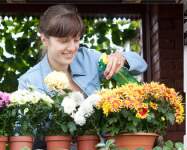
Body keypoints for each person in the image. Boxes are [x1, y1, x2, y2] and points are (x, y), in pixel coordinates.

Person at [18, 4, 148, 97]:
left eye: (76, 40)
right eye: (64, 41)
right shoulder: (29, 82)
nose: (72, 48)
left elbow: (141, 65)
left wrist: (121, 58)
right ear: (44, 40)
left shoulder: (88, 58)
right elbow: (22, 133)